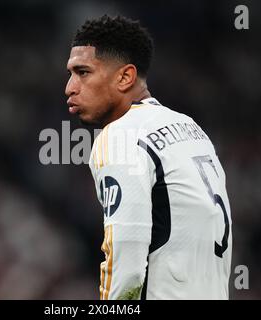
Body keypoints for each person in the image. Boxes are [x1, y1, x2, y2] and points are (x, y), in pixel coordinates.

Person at [65, 15, 232, 300]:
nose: (69, 87)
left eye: (83, 72)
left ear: (125, 77)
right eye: (70, 74)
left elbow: (125, 254)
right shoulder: (191, 129)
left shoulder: (120, 135)